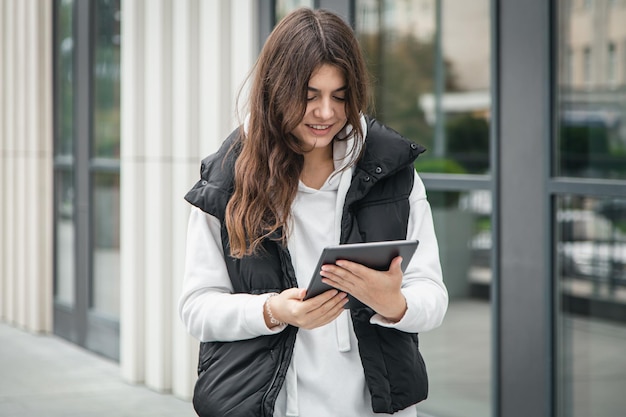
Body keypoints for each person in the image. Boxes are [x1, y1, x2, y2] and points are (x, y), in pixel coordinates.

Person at [179, 7, 448, 417]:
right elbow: (197, 308)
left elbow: (433, 295)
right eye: (309, 97)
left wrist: (395, 304)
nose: (326, 113)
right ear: (276, 91)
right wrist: (272, 311)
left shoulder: (393, 173)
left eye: (340, 96)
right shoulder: (227, 180)